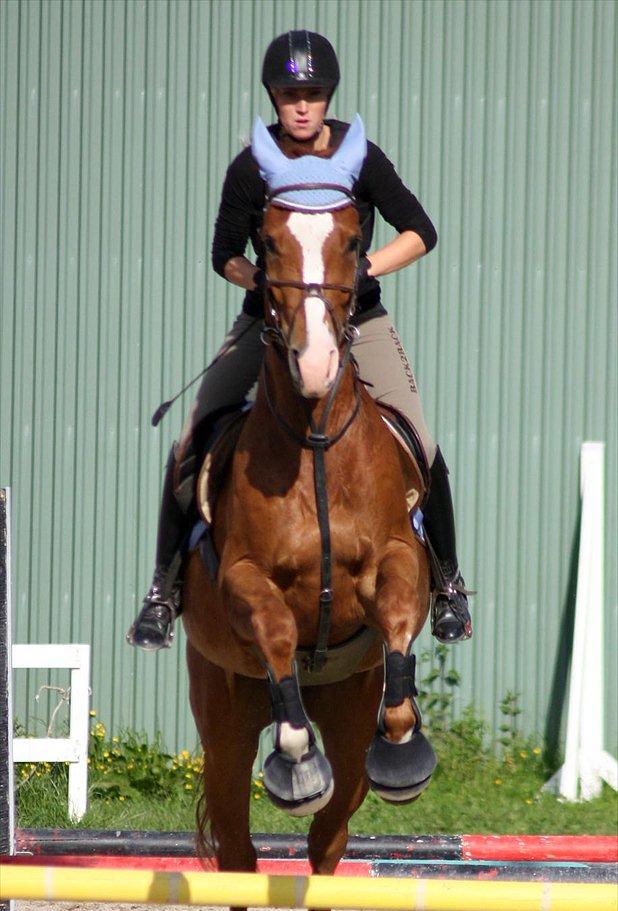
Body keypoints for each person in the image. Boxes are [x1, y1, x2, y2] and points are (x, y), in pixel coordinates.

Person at [126, 30, 472, 653]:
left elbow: (421, 231)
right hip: (270, 322)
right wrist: (263, 285)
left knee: (421, 439)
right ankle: (163, 592)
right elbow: (223, 254)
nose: (302, 106)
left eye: (312, 94)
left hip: (358, 321)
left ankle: (447, 584)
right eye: (290, 95)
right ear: (274, 99)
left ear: (328, 96)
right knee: (191, 439)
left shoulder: (361, 157)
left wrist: (362, 271)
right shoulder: (251, 166)